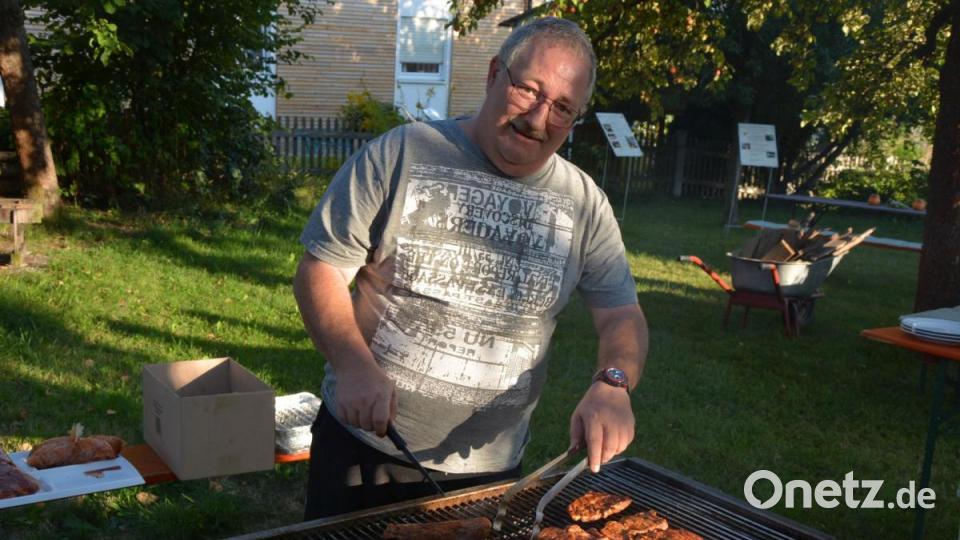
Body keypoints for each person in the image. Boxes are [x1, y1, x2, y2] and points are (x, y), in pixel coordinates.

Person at [293, 16, 648, 520]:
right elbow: (320, 270)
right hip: (366, 451)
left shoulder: (585, 204)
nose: (539, 118)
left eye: (563, 108)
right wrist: (352, 366)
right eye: (529, 90)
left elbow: (620, 316)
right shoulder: (402, 153)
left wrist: (613, 383)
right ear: (493, 75)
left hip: (492, 472)